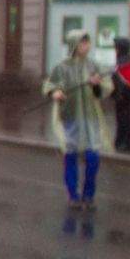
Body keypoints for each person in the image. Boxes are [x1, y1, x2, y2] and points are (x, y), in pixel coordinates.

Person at [44, 29, 108, 209]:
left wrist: (97, 85)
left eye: (87, 43)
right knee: (70, 155)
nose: (86, 46)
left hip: (90, 117)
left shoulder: (93, 66)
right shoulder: (61, 67)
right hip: (71, 116)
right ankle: (72, 194)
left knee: (92, 157)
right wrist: (54, 92)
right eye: (82, 43)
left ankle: (88, 195)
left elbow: (102, 90)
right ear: (74, 45)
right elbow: (50, 85)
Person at [111, 36, 130, 153]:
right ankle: (123, 140)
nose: (115, 50)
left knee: (123, 118)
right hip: (124, 94)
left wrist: (120, 93)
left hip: (123, 95)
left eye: (116, 47)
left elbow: (122, 80)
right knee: (124, 117)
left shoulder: (123, 61)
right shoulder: (124, 60)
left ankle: (124, 141)